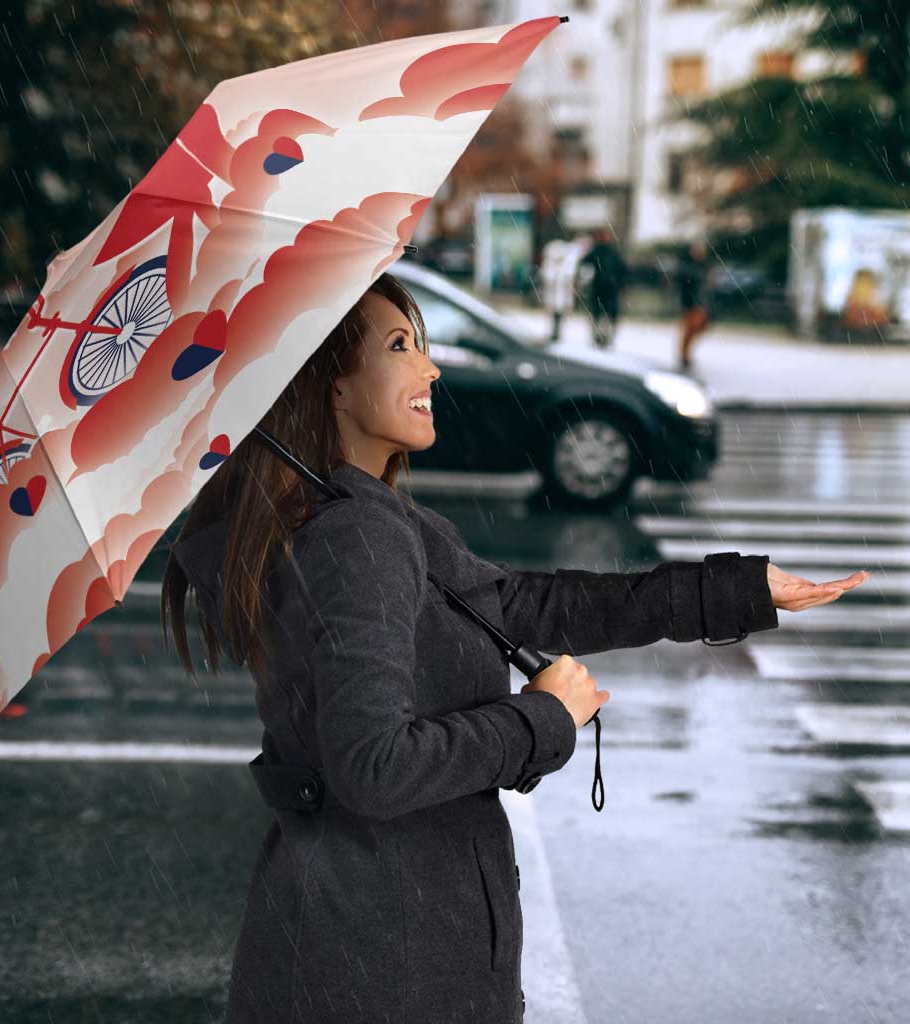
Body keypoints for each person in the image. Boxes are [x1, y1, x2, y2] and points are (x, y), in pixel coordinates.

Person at [162, 271, 863, 1024]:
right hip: (384, 962)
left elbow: (526, 605)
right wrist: (541, 719)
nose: (430, 368)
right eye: (400, 346)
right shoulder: (355, 537)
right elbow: (373, 768)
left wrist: (736, 591)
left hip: (364, 942)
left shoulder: (360, 518)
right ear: (330, 385)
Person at [578, 226, 628, 349]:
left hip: (609, 288)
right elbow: (584, 264)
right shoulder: (598, 251)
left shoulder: (611, 252)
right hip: (601, 288)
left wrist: (621, 284)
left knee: (606, 315)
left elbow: (622, 270)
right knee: (599, 314)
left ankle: (605, 337)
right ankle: (599, 337)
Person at [676, 239, 712, 371]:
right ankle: (684, 355)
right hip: (691, 303)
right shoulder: (688, 267)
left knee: (698, 328)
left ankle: (686, 354)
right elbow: (685, 286)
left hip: (700, 303)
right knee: (690, 329)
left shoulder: (703, 266)